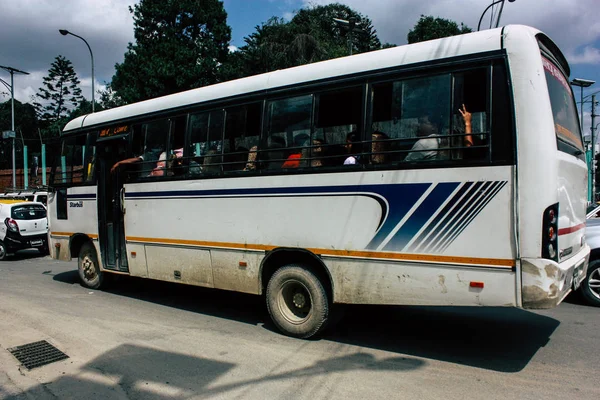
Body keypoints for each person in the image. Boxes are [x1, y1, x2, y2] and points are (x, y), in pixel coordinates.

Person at [404, 104, 473, 162]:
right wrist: (468, 124)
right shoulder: (448, 140)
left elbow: (405, 165)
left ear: (434, 126)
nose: (419, 125)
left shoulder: (424, 143)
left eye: (422, 122)